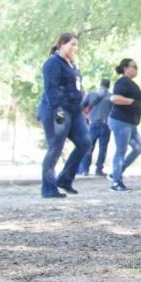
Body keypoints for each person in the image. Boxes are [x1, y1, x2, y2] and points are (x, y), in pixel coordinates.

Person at [36, 32, 91, 198]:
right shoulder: (52, 63)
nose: (75, 48)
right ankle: (48, 188)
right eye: (72, 44)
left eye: (76, 45)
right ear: (61, 44)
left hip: (75, 111)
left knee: (85, 142)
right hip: (57, 109)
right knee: (55, 147)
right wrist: (57, 111)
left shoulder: (72, 64)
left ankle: (65, 180)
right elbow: (50, 89)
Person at [107, 58, 141, 192]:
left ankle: (115, 173)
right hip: (120, 121)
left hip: (131, 122)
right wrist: (132, 102)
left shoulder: (130, 83)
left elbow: (135, 102)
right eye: (134, 66)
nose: (136, 69)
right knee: (121, 150)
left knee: (138, 148)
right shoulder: (122, 82)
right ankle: (116, 183)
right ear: (125, 68)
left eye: (137, 67)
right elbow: (114, 98)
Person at [78, 79, 112, 176]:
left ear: (100, 84)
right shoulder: (111, 97)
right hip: (106, 124)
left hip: (92, 124)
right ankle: (99, 169)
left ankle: (85, 170)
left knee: (89, 147)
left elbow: (81, 106)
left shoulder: (91, 94)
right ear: (109, 86)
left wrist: (86, 116)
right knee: (103, 148)